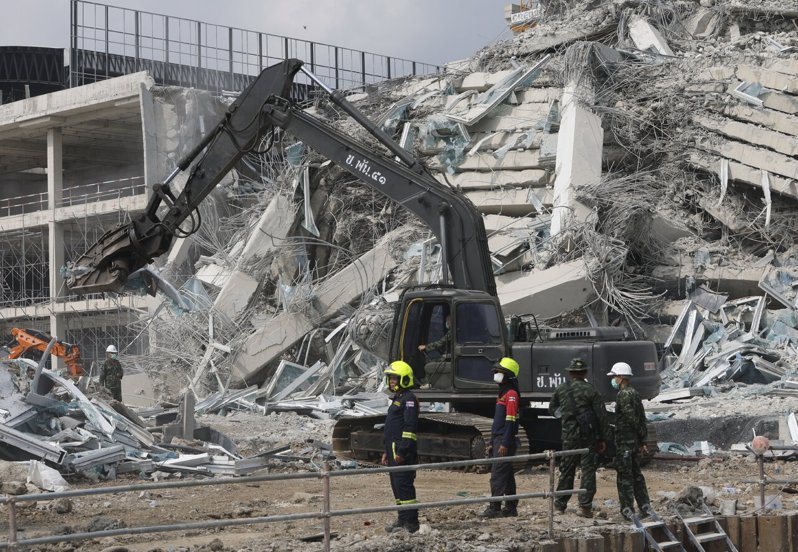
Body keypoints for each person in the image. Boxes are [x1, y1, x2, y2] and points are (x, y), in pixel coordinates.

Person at [548, 358, 609, 518]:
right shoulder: (591, 390)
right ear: (585, 373)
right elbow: (601, 416)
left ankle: (560, 505)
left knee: (567, 470)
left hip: (569, 436)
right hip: (588, 437)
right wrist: (603, 438)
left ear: (570, 373)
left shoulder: (561, 389)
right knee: (588, 470)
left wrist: (565, 415)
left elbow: (552, 409)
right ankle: (584, 506)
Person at [607, 362, 651, 520]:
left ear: (620, 377)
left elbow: (631, 418)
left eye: (614, 377)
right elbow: (641, 417)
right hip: (633, 442)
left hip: (625, 443)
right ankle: (645, 507)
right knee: (637, 475)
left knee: (625, 477)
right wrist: (642, 439)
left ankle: (627, 511)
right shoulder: (634, 393)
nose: (613, 380)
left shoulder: (624, 394)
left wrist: (639, 435)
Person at [479, 357, 521, 518]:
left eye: (499, 372)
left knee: (497, 474)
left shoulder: (510, 394)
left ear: (507, 375)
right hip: (499, 439)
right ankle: (511, 507)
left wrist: (504, 442)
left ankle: (494, 507)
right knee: (507, 474)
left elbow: (510, 421)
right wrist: (491, 441)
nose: (496, 375)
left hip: (505, 440)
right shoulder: (503, 393)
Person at [381, 360, 420, 533]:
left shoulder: (409, 399)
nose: (392, 382)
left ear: (404, 379)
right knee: (396, 486)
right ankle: (402, 518)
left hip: (401, 451)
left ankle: (411, 522)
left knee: (404, 485)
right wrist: (386, 451)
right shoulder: (397, 398)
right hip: (393, 450)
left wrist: (402, 451)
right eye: (390, 379)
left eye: (395, 379)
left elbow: (410, 428)